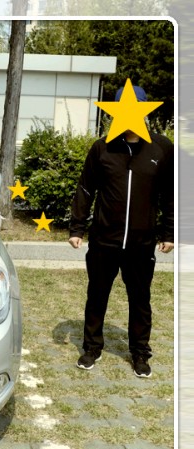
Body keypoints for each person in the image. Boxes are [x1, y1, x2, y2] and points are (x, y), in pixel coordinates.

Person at [68, 85, 174, 378]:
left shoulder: (161, 148)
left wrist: (169, 232)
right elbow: (85, 189)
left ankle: (140, 353)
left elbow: (170, 193)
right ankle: (92, 348)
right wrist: (77, 227)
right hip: (104, 241)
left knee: (140, 299)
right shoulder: (102, 148)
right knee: (97, 295)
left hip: (141, 243)